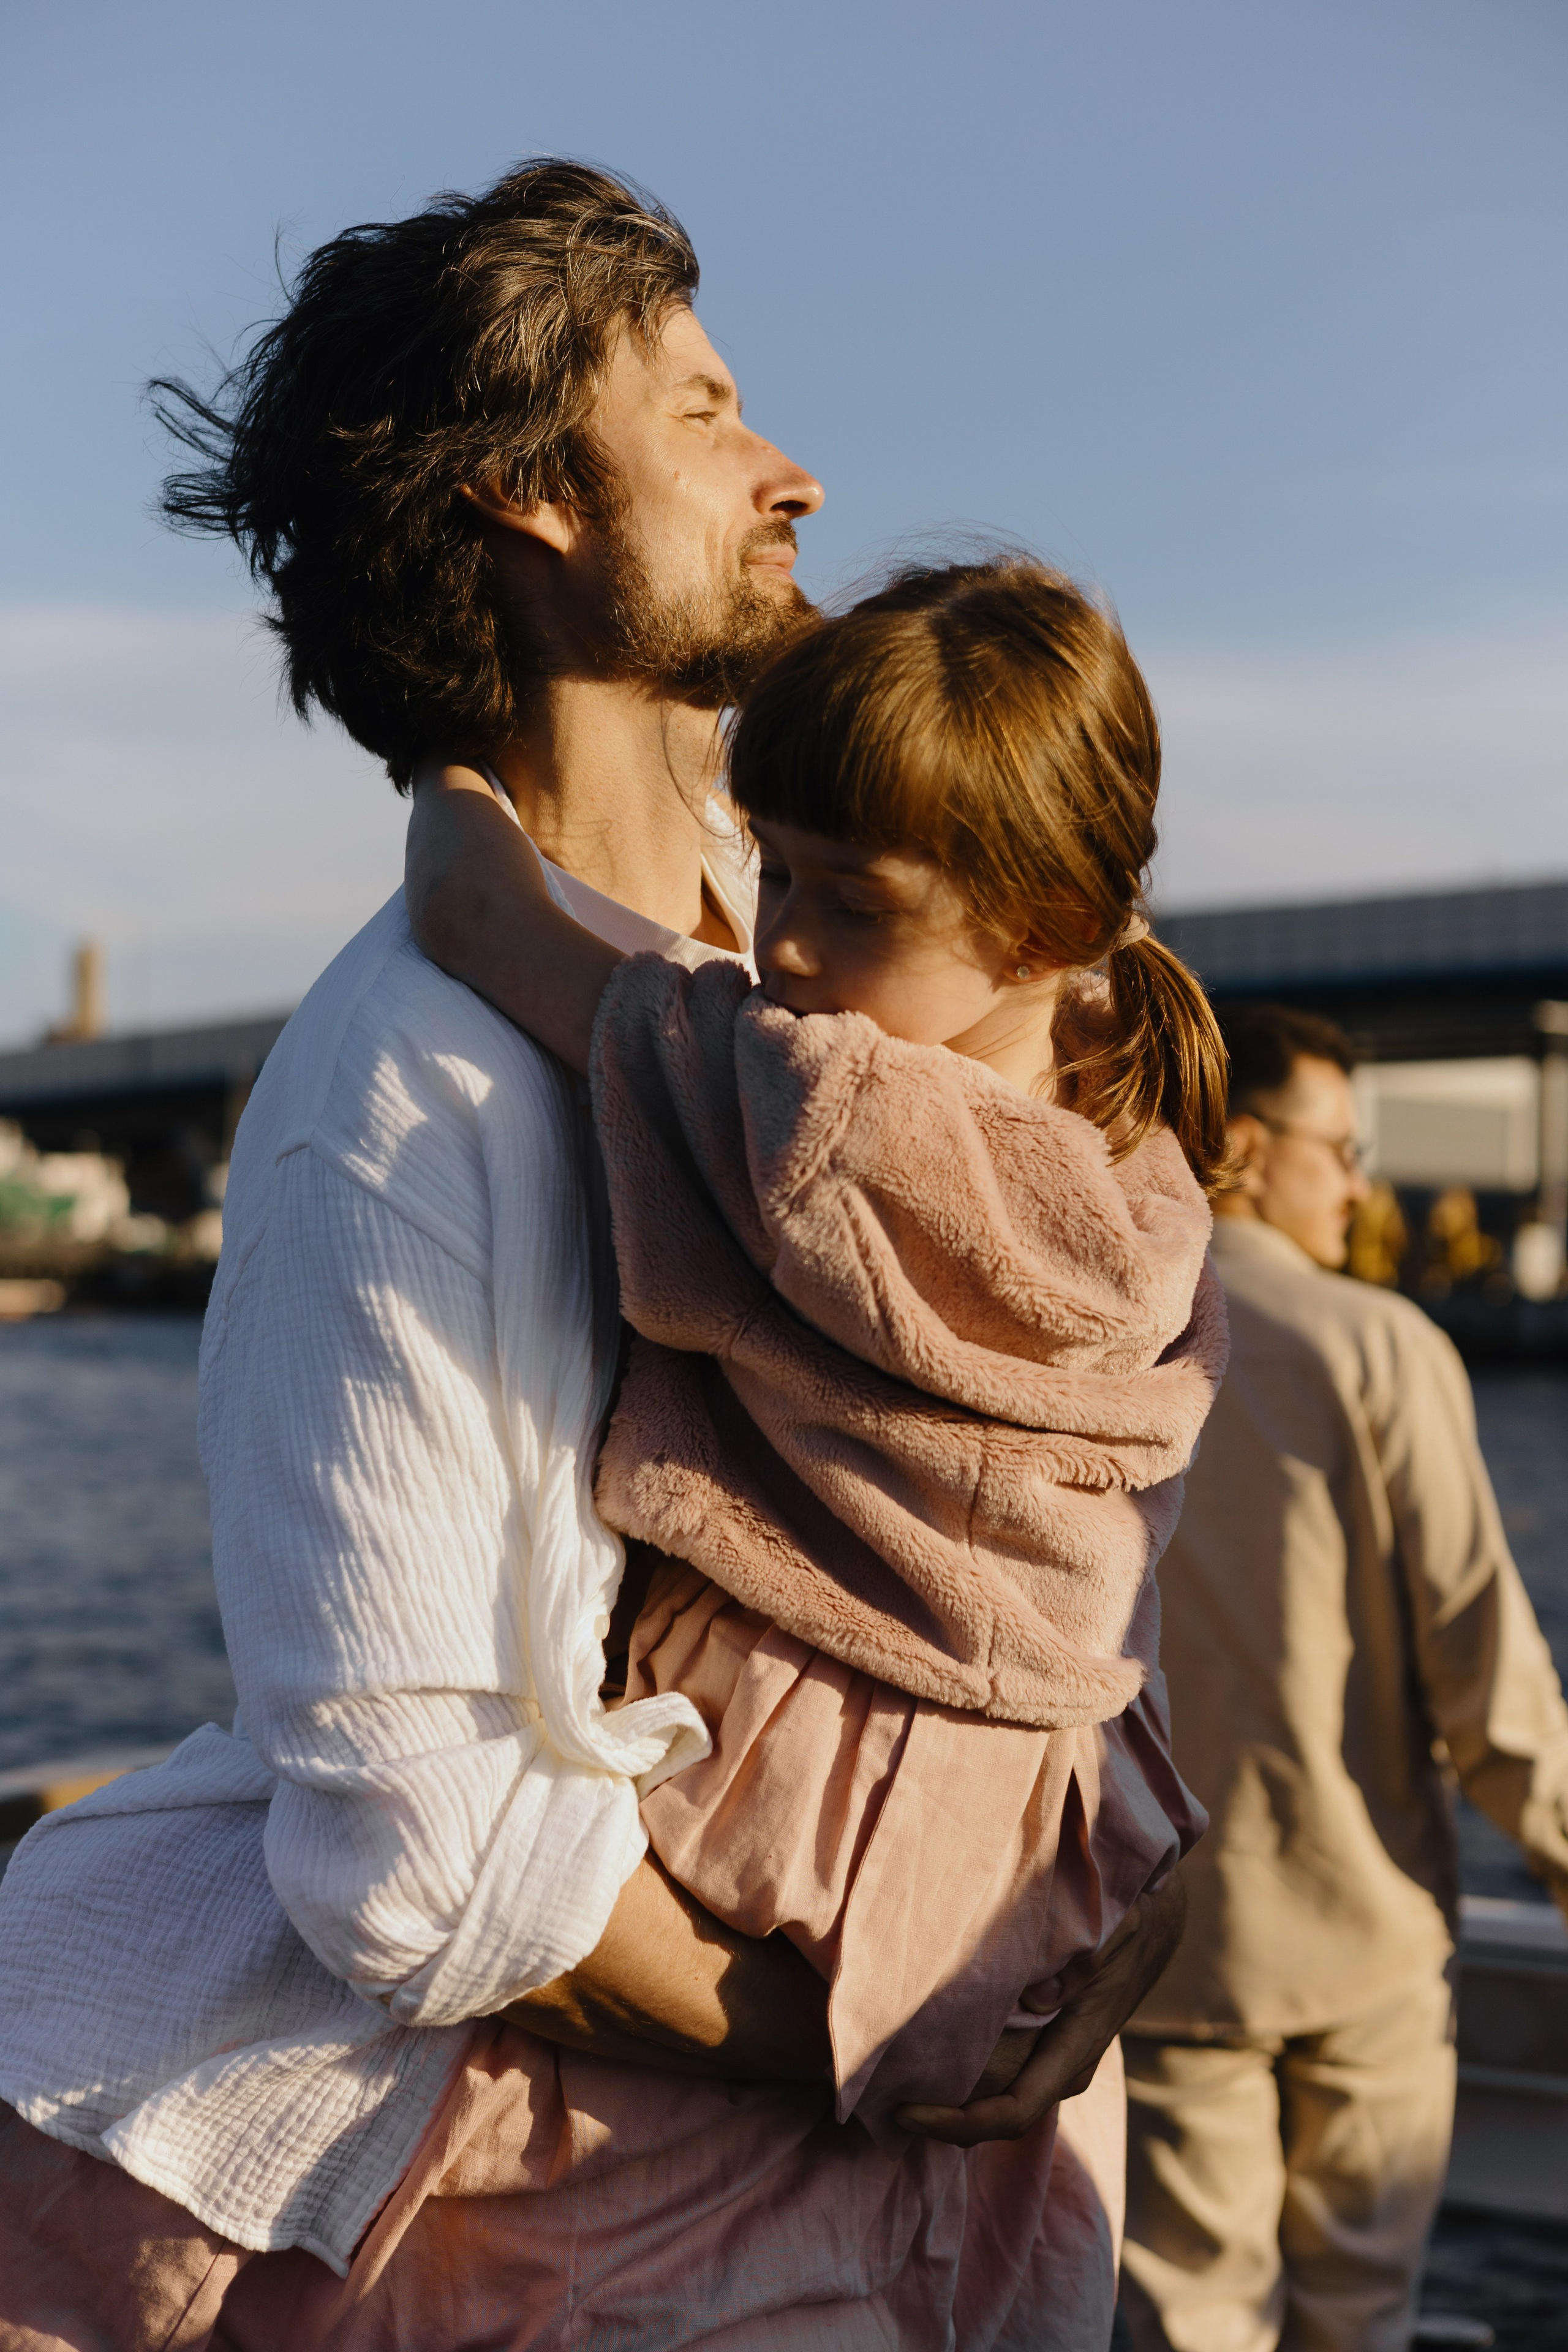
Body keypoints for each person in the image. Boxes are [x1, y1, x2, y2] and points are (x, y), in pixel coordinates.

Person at [0, 160, 1193, 2350]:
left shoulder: (823, 980)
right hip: (637, 2252)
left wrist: (1055, 1922)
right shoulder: (403, 1102)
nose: (792, 469)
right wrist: (894, 2030)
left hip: (941, 2219)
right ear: (534, 498)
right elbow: (425, 1860)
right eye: (706, 413)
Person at [1119, 1002, 1568, 2352]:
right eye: (1345, 1152)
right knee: (1358, 2318)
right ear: (1253, 1149)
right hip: (1363, 1931)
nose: (1364, 1189)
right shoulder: (1378, 1344)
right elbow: (1487, 1681)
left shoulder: (1109, 1327)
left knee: (1189, 2320)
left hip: (1168, 1937)